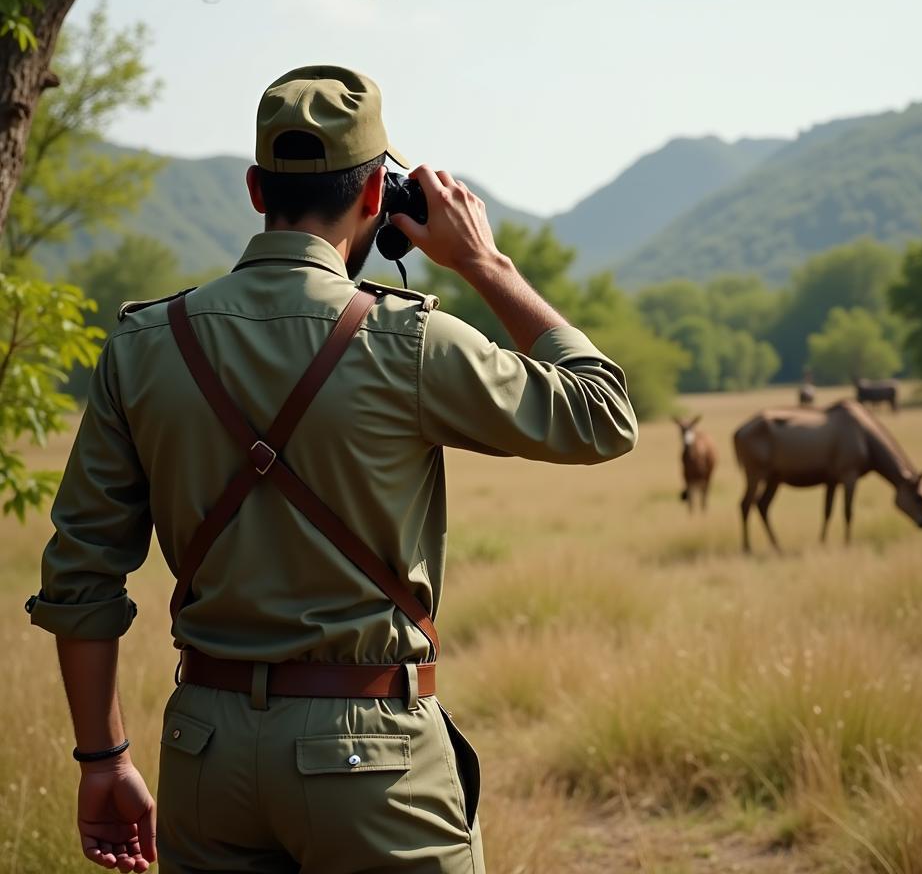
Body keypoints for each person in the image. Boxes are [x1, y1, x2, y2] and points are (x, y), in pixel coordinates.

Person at [26, 65, 638, 874]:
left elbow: (81, 575)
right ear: (379, 199)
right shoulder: (412, 340)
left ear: (254, 188)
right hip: (373, 763)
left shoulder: (144, 344)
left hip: (202, 752)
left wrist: (102, 760)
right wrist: (485, 264)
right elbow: (603, 416)